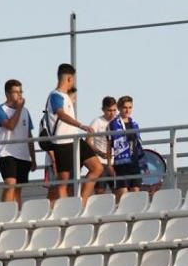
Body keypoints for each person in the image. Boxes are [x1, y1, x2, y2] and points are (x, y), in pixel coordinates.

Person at [44, 63, 104, 202]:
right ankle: (65, 208)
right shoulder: (55, 95)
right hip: (62, 142)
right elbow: (61, 114)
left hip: (75, 140)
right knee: (63, 181)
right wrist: (81, 125)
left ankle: (81, 202)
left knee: (97, 168)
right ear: (69, 79)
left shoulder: (66, 97)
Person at [0, 79, 37, 207]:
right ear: (7, 94)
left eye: (20, 91)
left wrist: (33, 158)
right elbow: (10, 125)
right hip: (7, 153)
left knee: (18, 189)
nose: (20, 95)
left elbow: (29, 135)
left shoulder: (25, 111)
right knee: (10, 184)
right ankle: (4, 213)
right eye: (16, 92)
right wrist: (19, 109)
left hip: (23, 155)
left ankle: (17, 215)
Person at [109, 96, 144, 201]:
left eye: (130, 107)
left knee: (135, 199)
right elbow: (109, 144)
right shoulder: (114, 124)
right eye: (125, 107)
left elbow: (138, 144)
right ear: (119, 108)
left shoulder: (135, 124)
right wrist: (109, 164)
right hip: (121, 165)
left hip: (134, 163)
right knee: (123, 199)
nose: (127, 110)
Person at [87, 96, 117, 194]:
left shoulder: (118, 122)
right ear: (103, 109)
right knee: (100, 191)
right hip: (101, 162)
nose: (112, 113)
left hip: (115, 162)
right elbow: (88, 141)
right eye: (109, 110)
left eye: (114, 110)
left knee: (118, 190)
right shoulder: (97, 122)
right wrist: (100, 153)